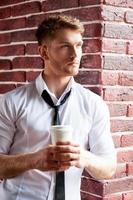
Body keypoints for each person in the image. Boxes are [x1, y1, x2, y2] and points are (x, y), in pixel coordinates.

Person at [0, 14, 117, 200]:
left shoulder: (94, 105)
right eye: (65, 46)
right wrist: (35, 160)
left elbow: (109, 168)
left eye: (78, 45)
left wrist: (83, 157)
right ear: (44, 52)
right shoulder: (10, 102)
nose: (75, 54)